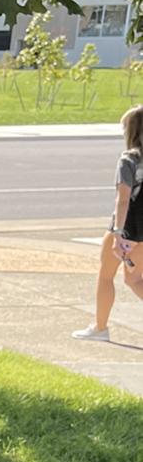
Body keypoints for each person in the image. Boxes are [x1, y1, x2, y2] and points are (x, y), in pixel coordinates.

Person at [73, 103, 143, 342]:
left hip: (128, 228)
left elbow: (122, 199)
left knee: (106, 276)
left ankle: (100, 327)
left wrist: (118, 233)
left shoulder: (129, 160)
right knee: (134, 279)